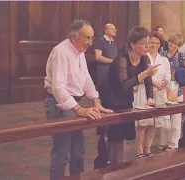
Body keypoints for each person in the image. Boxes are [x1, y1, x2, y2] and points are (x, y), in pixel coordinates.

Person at [43, 19, 113, 180]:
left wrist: (96, 100)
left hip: (75, 104)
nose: (90, 42)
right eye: (87, 38)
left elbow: (86, 79)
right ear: (74, 37)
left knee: (78, 152)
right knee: (62, 153)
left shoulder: (79, 51)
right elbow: (58, 88)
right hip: (59, 104)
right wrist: (80, 110)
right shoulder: (61, 52)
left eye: (91, 38)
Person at [101, 26, 160, 165]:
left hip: (126, 101)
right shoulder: (121, 59)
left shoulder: (144, 59)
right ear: (133, 45)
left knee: (123, 137)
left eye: (148, 43)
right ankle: (111, 168)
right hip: (112, 102)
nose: (147, 47)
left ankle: (119, 168)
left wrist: (150, 98)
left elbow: (148, 81)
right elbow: (123, 86)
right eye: (144, 44)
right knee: (115, 139)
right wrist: (144, 74)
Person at [134, 31, 171, 158]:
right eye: (151, 43)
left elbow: (168, 77)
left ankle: (147, 148)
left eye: (156, 43)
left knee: (153, 123)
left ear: (160, 45)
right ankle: (139, 150)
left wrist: (162, 84)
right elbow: (140, 76)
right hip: (144, 91)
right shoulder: (143, 57)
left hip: (159, 94)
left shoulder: (164, 59)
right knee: (143, 123)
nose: (154, 45)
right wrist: (154, 84)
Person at [158, 33, 185, 151]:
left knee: (176, 118)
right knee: (164, 116)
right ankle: (163, 142)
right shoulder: (162, 54)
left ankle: (173, 143)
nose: (173, 45)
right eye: (171, 42)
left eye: (176, 44)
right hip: (163, 88)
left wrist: (177, 72)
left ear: (179, 45)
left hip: (177, 89)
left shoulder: (181, 57)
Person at [93, 23, 118, 169]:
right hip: (103, 74)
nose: (115, 30)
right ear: (105, 29)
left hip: (111, 74)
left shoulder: (113, 42)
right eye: (112, 28)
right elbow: (98, 57)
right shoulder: (101, 41)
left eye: (115, 29)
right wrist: (114, 62)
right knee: (103, 98)